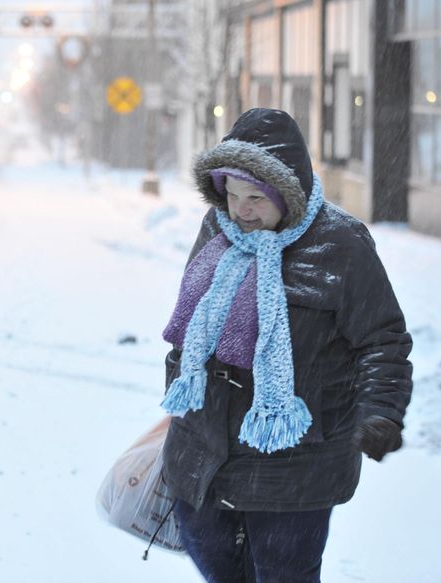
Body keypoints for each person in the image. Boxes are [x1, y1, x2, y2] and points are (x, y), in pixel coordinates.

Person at [159, 108, 412, 583]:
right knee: (217, 566)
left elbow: (383, 339)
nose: (241, 211)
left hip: (296, 465)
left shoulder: (340, 244)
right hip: (202, 455)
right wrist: (180, 380)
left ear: (288, 193)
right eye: (232, 196)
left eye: (255, 197)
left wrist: (381, 410)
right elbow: (193, 323)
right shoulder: (218, 230)